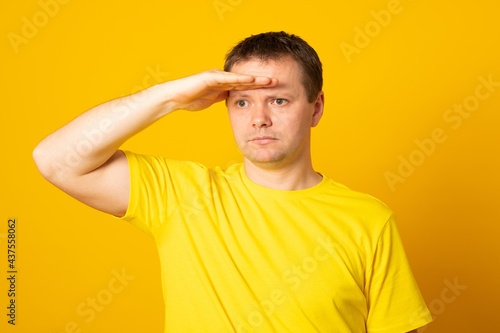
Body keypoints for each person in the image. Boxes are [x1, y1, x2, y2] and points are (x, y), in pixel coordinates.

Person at [33, 31, 432, 332]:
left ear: (316, 107)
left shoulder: (369, 220)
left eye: (278, 99)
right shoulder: (182, 195)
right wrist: (169, 97)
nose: (258, 117)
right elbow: (54, 160)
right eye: (241, 101)